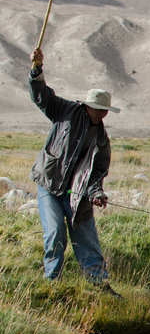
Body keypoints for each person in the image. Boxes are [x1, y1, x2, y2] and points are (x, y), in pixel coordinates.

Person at [29, 48, 121, 297]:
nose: (102, 114)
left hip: (77, 195)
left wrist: (97, 192)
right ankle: (52, 284)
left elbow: (97, 173)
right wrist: (37, 71)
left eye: (105, 110)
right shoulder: (65, 110)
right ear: (88, 106)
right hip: (49, 186)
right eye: (99, 109)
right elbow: (42, 97)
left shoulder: (102, 138)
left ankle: (99, 285)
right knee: (56, 233)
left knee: (87, 238)